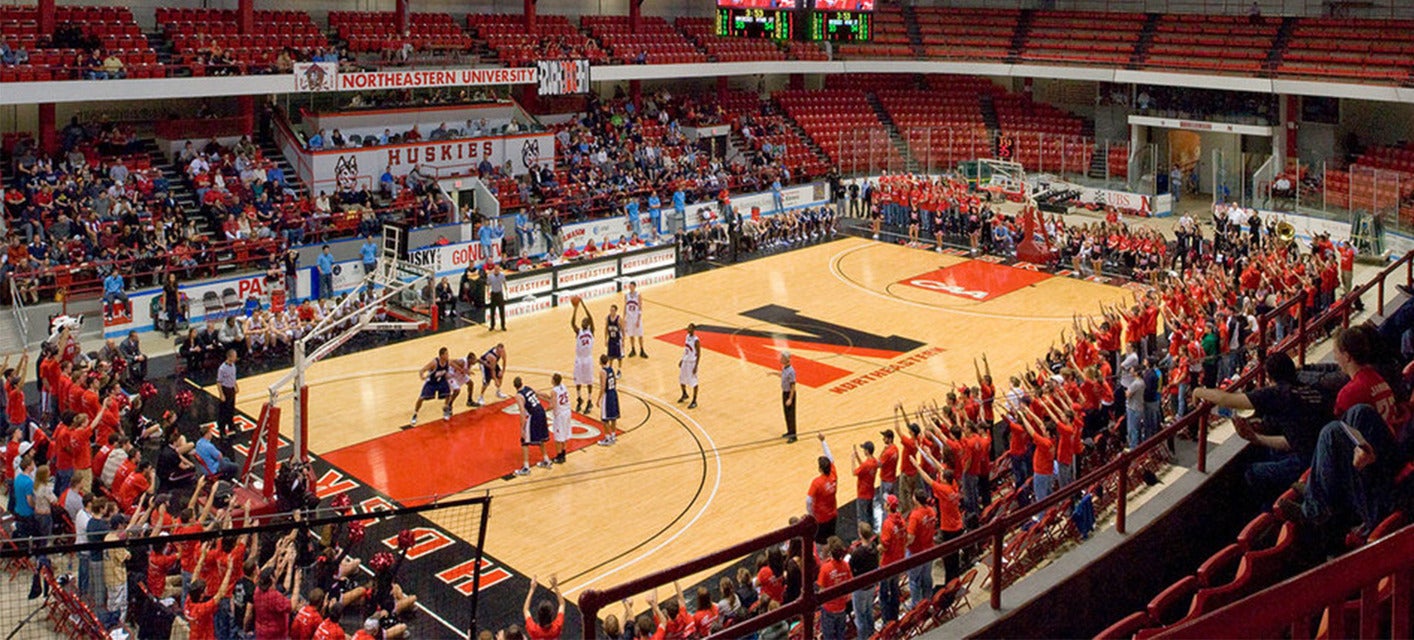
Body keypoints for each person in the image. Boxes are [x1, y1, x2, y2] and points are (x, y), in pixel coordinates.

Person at [1192, 352, 1331, 496]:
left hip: (1309, 462)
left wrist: (1198, 391)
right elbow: (1295, 441)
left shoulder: (1278, 393)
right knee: (1271, 452)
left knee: (1252, 473)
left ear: (1270, 377)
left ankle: (1269, 509)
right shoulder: (1310, 389)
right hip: (1321, 456)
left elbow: (1227, 399)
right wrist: (1255, 438)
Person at [904, 487, 937, 609]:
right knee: (927, 577)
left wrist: (903, 545)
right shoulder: (932, 511)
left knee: (914, 580)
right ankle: (927, 600)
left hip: (916, 551)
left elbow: (911, 538)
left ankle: (916, 606)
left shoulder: (915, 516)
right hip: (929, 548)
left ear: (916, 500)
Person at [806, 433, 838, 555]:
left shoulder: (817, 482)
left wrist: (810, 514)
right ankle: (832, 556)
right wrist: (823, 441)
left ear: (820, 469)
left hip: (821, 518)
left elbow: (808, 500)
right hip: (833, 514)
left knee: (820, 544)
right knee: (831, 539)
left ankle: (823, 562)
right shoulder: (833, 474)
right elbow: (831, 458)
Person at [815, 537, 853, 640]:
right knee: (841, 633)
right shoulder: (846, 566)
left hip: (828, 608)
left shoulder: (825, 568)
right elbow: (850, 584)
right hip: (841, 607)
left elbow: (822, 590)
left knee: (828, 635)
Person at [514, 377, 553, 475]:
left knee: (524, 441)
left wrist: (522, 428)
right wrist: (550, 399)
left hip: (534, 415)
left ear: (514, 386)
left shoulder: (519, 396)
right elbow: (540, 394)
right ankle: (546, 460)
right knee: (541, 438)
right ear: (522, 383)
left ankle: (526, 468)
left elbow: (522, 412)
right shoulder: (528, 388)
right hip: (542, 412)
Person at [409, 347, 452, 427]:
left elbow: (449, 368)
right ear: (441, 355)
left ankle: (445, 408)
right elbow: (422, 370)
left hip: (441, 381)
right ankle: (415, 413)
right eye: (446, 354)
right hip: (431, 382)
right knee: (421, 398)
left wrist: (450, 376)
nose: (448, 355)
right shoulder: (434, 362)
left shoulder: (447, 362)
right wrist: (422, 377)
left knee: (448, 394)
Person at [570, 301, 596, 413]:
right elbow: (572, 323)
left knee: (589, 381)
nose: (583, 322)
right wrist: (575, 309)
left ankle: (590, 400)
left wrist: (584, 305)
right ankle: (579, 398)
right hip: (579, 359)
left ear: (589, 323)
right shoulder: (578, 331)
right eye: (582, 321)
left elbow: (590, 317)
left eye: (585, 321)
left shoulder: (591, 331)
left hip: (588, 358)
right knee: (578, 381)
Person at [523, 575, 564, 640]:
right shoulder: (557, 626)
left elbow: (526, 609)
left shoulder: (533, 630)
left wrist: (532, 589)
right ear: (551, 615)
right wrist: (555, 587)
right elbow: (562, 604)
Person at [852, 441, 878, 530]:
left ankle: (862, 537)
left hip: (862, 494)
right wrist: (857, 456)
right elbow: (864, 467)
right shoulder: (874, 461)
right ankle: (871, 532)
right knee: (870, 516)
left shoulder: (866, 464)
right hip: (870, 493)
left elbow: (854, 472)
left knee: (862, 518)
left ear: (867, 451)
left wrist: (853, 460)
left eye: (864, 449)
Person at [549, 373, 572, 463]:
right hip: (567, 411)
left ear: (554, 381)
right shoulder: (563, 386)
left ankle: (559, 456)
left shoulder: (554, 391)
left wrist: (544, 410)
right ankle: (563, 453)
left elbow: (553, 405)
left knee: (558, 437)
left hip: (560, 415)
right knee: (565, 434)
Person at [597, 355, 620, 447]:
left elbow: (602, 387)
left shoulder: (603, 372)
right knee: (613, 417)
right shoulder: (611, 369)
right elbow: (615, 381)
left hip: (607, 395)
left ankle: (608, 438)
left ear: (600, 362)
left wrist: (598, 399)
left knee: (604, 419)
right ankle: (613, 435)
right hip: (613, 392)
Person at [216, 349, 239, 439]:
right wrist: (221, 394)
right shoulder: (222, 368)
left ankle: (231, 425)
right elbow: (218, 382)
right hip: (225, 389)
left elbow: (233, 377)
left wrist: (236, 386)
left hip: (231, 389)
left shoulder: (233, 365)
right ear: (230, 357)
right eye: (234, 356)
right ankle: (222, 430)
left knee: (231, 408)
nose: (236, 357)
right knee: (224, 411)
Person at [775, 352, 797, 443]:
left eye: (782, 357)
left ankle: (794, 436)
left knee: (791, 415)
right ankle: (789, 432)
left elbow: (793, 386)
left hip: (789, 394)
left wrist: (790, 399)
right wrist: (774, 373)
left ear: (787, 359)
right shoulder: (785, 368)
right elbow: (783, 376)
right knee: (786, 414)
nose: (780, 359)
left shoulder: (791, 371)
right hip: (784, 393)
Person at [678, 323, 700, 409]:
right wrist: (682, 359)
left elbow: (698, 354)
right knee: (681, 379)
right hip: (685, 361)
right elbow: (686, 349)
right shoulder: (687, 337)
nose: (688, 329)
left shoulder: (696, 340)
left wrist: (696, 366)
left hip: (692, 362)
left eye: (690, 328)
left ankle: (695, 400)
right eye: (688, 327)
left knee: (693, 382)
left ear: (693, 330)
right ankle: (684, 394)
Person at [623, 281, 647, 358]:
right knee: (631, 335)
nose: (630, 287)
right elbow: (625, 307)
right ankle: (633, 349)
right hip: (629, 317)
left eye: (631, 286)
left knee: (640, 335)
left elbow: (640, 307)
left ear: (634, 286)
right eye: (629, 286)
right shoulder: (626, 295)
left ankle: (642, 350)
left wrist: (638, 319)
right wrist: (624, 317)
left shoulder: (638, 295)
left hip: (636, 317)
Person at [604, 304, 625, 375]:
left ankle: (619, 370)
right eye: (610, 310)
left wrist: (623, 340)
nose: (611, 311)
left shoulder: (619, 319)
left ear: (616, 311)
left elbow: (623, 330)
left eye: (613, 310)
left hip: (617, 339)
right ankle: (610, 369)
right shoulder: (607, 318)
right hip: (611, 339)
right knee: (610, 356)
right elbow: (606, 329)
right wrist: (605, 339)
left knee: (619, 357)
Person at [486, 263, 507, 331]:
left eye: (498, 269)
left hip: (499, 294)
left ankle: (503, 326)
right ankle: (492, 325)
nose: (497, 270)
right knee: (492, 311)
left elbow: (504, 283)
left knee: (502, 311)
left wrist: (506, 292)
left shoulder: (502, 275)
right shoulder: (490, 276)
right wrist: (487, 294)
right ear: (494, 269)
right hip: (493, 294)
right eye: (496, 269)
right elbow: (488, 285)